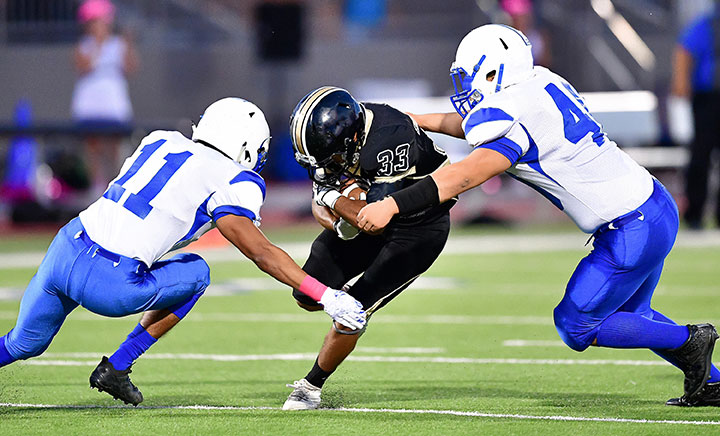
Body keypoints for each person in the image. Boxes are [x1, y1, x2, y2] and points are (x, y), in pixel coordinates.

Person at [357, 24, 720, 407]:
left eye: (468, 76)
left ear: (494, 71)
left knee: (576, 324)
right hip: (652, 206)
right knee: (632, 314)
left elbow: (461, 176)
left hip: (631, 227)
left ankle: (690, 338)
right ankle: (712, 382)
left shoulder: (512, 118)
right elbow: (471, 126)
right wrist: (413, 119)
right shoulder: (537, 84)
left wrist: (391, 205)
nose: (464, 88)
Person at [0, 97, 366, 406]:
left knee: (22, 343)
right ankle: (119, 365)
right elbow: (259, 250)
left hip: (64, 248)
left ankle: (109, 368)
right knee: (197, 272)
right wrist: (324, 294)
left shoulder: (160, 140)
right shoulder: (236, 178)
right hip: (110, 283)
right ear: (247, 145)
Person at [282, 86, 454, 410]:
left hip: (419, 227)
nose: (326, 164)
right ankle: (346, 296)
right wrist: (334, 217)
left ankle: (310, 387)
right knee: (307, 294)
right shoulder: (342, 134)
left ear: (353, 139)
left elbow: (372, 218)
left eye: (332, 156)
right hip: (373, 212)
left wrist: (332, 198)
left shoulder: (389, 138)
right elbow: (322, 203)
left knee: (352, 312)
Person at [71, 0, 139, 197]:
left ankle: (117, 187)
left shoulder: (119, 44)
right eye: (93, 22)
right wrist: (98, 46)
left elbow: (130, 68)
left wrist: (129, 43)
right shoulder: (83, 46)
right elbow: (83, 66)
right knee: (93, 149)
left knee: (115, 148)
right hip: (90, 105)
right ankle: (95, 189)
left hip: (114, 105)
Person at [671, 1, 720, 230]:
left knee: (701, 156)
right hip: (708, 98)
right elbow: (685, 50)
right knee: (701, 155)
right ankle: (695, 214)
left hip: (709, 97)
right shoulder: (708, 23)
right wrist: (681, 83)